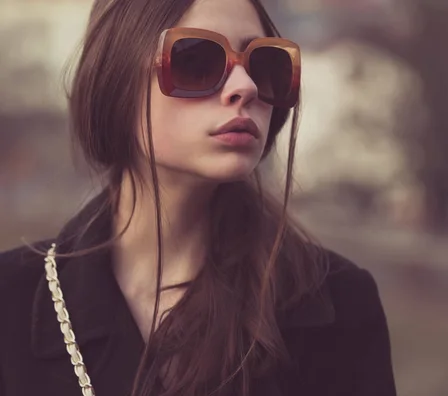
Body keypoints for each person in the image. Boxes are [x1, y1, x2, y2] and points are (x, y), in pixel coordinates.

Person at [0, 0, 397, 395]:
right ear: (115, 79)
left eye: (265, 64)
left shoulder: (340, 305)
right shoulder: (12, 299)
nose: (246, 87)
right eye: (196, 59)